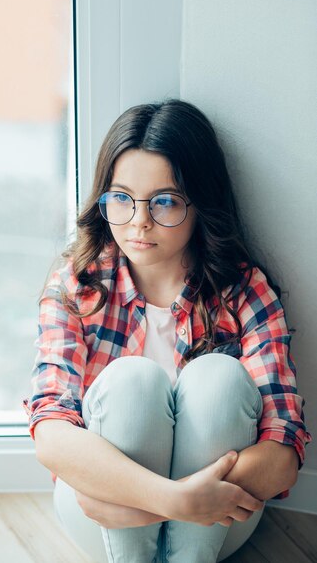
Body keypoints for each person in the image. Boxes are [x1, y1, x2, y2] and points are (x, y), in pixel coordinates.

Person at [22, 99, 312, 563]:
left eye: (165, 202)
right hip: (103, 513)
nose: (139, 221)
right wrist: (173, 500)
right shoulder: (77, 285)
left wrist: (189, 504)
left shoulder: (243, 291)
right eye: (121, 198)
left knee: (217, 376)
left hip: (216, 519)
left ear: (201, 203)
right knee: (132, 380)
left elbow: (282, 454)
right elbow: (51, 433)